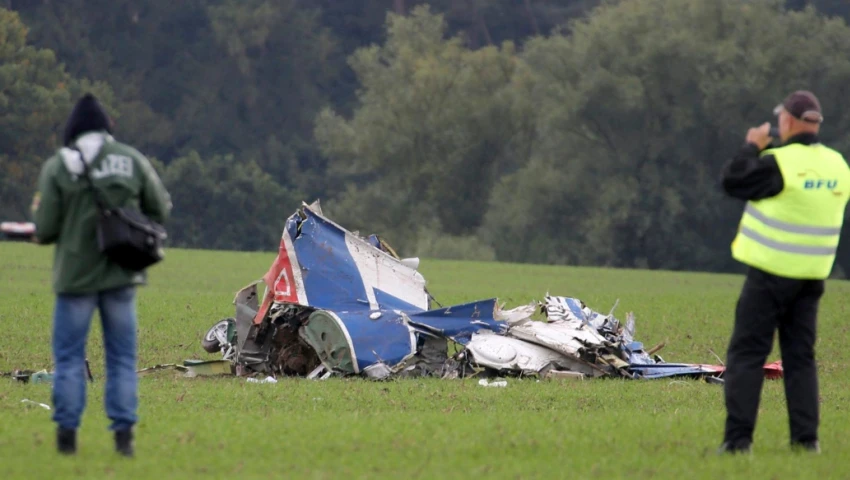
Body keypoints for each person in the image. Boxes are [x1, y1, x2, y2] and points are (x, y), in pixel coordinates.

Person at [32, 93, 172, 457]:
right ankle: (123, 439)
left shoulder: (58, 166)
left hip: (74, 278)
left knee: (67, 359)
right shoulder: (131, 159)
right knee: (122, 361)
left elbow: (45, 229)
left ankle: (67, 439)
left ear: (72, 130)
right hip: (121, 276)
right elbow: (160, 207)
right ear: (108, 127)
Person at [718, 90, 850, 454]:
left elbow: (733, 180)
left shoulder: (779, 163)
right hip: (812, 276)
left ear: (788, 122)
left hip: (770, 274)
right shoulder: (838, 165)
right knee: (800, 357)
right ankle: (807, 441)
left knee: (747, 354)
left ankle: (738, 442)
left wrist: (751, 146)